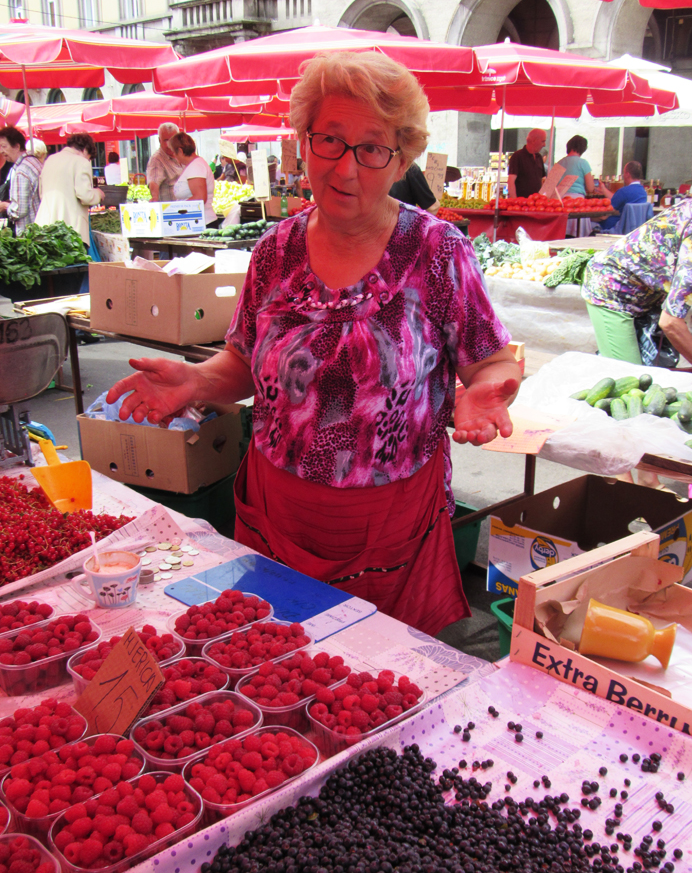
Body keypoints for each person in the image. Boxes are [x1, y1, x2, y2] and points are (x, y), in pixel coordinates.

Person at [105, 50, 520, 636]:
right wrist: (199, 380)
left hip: (391, 527)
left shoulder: (438, 251)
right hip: (278, 516)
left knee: (381, 684)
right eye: (329, 139)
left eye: (372, 148)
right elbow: (245, 362)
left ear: (401, 157)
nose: (347, 168)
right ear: (303, 142)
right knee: (277, 670)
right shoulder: (274, 251)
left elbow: (494, 361)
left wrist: (484, 389)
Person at [582, 198, 692, 367]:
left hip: (650, 292)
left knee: (659, 371)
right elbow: (670, 322)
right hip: (612, 287)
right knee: (631, 380)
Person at [34, 133, 103, 245]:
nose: (88, 160)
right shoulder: (81, 162)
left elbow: (41, 193)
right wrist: (98, 194)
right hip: (69, 230)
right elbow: (85, 196)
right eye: (89, 157)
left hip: (44, 226)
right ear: (85, 150)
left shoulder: (50, 159)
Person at [0, 126, 42, 234]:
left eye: (4, 146)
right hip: (40, 228)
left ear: (17, 146)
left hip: (29, 234)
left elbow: (18, 211)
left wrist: (4, 206)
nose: (1, 151)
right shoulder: (34, 162)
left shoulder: (22, 170)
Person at [169, 132, 216, 226]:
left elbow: (200, 197)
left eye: (174, 153)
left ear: (180, 151)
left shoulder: (196, 166)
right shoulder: (194, 165)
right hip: (197, 222)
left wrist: (175, 209)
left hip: (202, 222)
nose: (174, 156)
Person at [595, 161, 648, 232]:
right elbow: (618, 198)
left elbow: (603, 217)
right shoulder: (643, 192)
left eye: (624, 173)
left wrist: (587, 219)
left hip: (613, 228)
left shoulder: (623, 192)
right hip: (633, 230)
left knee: (589, 225)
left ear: (627, 174)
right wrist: (604, 190)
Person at [146, 122, 182, 202]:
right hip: (170, 210)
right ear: (159, 140)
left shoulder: (181, 155)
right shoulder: (157, 159)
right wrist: (154, 197)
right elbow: (154, 181)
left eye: (172, 139)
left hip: (186, 209)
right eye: (166, 140)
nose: (169, 144)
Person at [507, 128, 547, 198]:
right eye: (543, 141)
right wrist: (514, 201)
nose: (544, 145)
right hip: (521, 202)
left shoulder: (539, 157)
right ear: (534, 140)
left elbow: (542, 180)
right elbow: (511, 181)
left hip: (536, 202)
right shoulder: (517, 156)